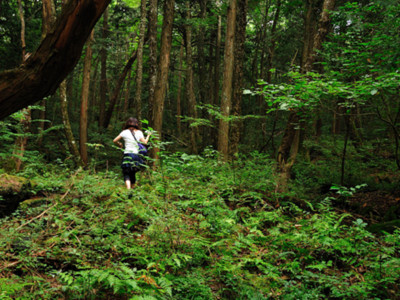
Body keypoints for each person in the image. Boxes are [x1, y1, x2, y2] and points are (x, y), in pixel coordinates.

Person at [113, 117, 151, 189]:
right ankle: (132, 190)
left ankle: (128, 189)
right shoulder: (139, 132)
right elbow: (145, 142)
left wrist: (119, 144)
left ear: (127, 123)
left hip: (127, 154)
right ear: (136, 124)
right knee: (133, 172)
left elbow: (114, 140)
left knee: (126, 172)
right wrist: (148, 135)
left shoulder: (124, 132)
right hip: (136, 155)